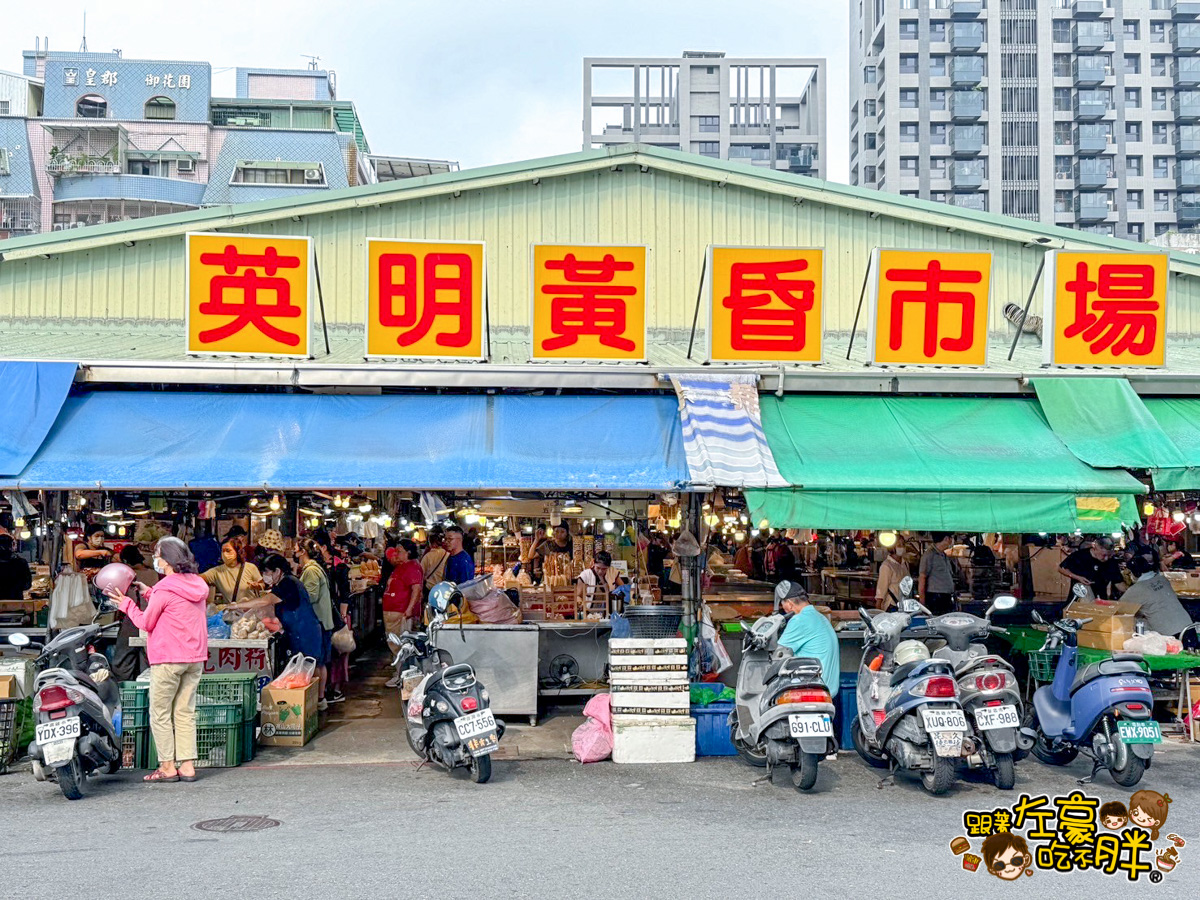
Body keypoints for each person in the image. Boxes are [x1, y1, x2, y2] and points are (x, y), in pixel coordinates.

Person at [103, 537, 208, 784]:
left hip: (168, 658)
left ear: (168, 560)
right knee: (185, 712)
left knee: (160, 713)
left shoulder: (165, 588)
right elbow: (175, 604)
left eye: (158, 556)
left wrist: (127, 604)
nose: (155, 560)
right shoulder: (198, 584)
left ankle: (168, 767)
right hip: (194, 658)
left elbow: (145, 622)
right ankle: (188, 766)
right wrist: (148, 592)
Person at [231, 553, 324, 672]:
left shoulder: (288, 582)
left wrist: (237, 605)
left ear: (277, 571)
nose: (264, 576)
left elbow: (266, 601)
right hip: (298, 631)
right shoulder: (281, 583)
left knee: (307, 671)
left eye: (266, 572)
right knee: (303, 671)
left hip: (305, 633)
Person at [775, 581, 839, 698]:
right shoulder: (820, 617)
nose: (783, 609)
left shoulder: (799, 620)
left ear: (789, 604)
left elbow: (778, 654)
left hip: (812, 689)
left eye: (782, 605)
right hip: (828, 689)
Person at [110, 544, 159, 682]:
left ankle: (123, 688)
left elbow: (120, 599)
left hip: (133, 617)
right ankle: (145, 689)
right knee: (147, 656)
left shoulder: (127, 574)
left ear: (125, 561)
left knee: (123, 657)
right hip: (152, 617)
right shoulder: (153, 573)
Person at [297, 540, 335, 710]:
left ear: (303, 552)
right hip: (322, 622)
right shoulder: (314, 569)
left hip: (317, 622)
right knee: (320, 662)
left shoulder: (311, 571)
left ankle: (319, 699)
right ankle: (320, 698)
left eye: (297, 550)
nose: (294, 553)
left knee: (316, 662)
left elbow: (311, 596)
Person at [382, 539, 424, 688]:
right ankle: (400, 674)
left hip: (401, 613)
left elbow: (416, 589)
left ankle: (402, 677)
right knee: (395, 644)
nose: (397, 553)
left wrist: (409, 609)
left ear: (408, 553)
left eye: (400, 551)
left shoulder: (412, 567)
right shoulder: (402, 567)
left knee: (401, 646)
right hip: (394, 611)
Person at [1122, 555, 1194, 637]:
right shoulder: (1163, 579)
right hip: (1189, 628)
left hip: (1172, 637)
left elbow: (1119, 609)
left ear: (1134, 573)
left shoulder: (1137, 589)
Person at [201, 537, 262, 607]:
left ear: (238, 552)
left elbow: (262, 584)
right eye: (222, 551)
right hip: (232, 613)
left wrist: (257, 585)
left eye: (228, 550)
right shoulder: (216, 571)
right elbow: (198, 578)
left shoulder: (250, 567)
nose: (224, 554)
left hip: (250, 612)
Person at [1059, 537, 1124, 600]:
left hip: (1100, 598)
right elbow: (1062, 568)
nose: (1106, 558)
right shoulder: (1080, 556)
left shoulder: (1111, 562)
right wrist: (1077, 577)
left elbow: (1117, 581)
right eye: (1103, 555)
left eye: (1109, 555)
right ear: (1096, 547)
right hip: (1080, 596)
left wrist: (1129, 591)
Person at [919, 532, 957, 615]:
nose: (951, 541)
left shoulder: (944, 555)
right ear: (946, 539)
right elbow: (922, 578)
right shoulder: (929, 555)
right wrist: (922, 604)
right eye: (951, 538)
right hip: (935, 598)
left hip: (946, 597)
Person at [874, 540, 909, 611]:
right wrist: (878, 607)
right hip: (892, 605)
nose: (902, 547)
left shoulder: (905, 564)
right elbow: (881, 588)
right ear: (892, 548)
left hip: (904, 604)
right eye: (899, 545)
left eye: (903, 545)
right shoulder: (886, 566)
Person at [0, 534, 31, 600]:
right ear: (12, 546)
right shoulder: (21, 563)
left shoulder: (21, 562)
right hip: (16, 603)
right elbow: (27, 585)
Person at [420, 529, 450, 594]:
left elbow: (421, 574)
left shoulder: (427, 556)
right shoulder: (447, 555)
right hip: (443, 589)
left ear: (430, 542)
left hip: (429, 588)